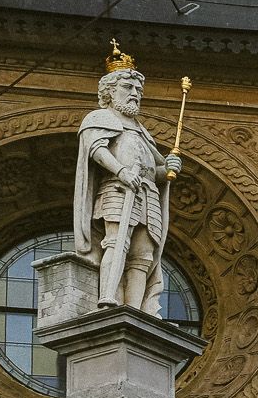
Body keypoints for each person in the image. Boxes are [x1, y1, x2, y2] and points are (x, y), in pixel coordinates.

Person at [74, 46, 183, 314]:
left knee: (143, 254)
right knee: (116, 241)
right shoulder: (100, 118)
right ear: (110, 91)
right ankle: (108, 296)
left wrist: (166, 168)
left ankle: (134, 309)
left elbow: (152, 170)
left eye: (138, 90)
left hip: (146, 193)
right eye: (128, 87)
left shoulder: (143, 132)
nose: (134, 94)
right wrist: (122, 171)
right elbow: (96, 149)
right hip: (118, 189)